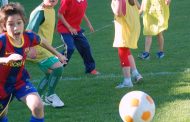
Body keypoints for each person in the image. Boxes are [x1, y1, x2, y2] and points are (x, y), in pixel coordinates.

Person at [0, 2, 67, 122]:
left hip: (19, 82)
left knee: (37, 105)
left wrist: (58, 54)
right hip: (1, 85)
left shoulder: (28, 37)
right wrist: (6, 59)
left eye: (19, 23)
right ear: (4, 26)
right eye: (10, 24)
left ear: (24, 23)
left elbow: (42, 41)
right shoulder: (2, 40)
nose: (16, 28)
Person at [26, 0, 66, 108]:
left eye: (55, 1)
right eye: (51, 0)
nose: (53, 3)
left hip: (45, 48)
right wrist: (31, 48)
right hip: (38, 48)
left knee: (50, 74)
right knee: (58, 67)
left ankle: (38, 98)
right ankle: (50, 96)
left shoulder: (51, 9)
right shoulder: (40, 12)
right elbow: (30, 32)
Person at [57, 0, 100, 75]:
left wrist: (89, 23)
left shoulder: (84, 1)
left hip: (76, 29)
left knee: (85, 47)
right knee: (69, 48)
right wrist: (69, 27)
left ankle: (90, 69)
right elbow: (59, 14)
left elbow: (82, 13)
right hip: (64, 29)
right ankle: (56, 69)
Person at [111, 0, 143, 88]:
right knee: (126, 50)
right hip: (133, 27)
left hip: (125, 28)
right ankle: (136, 74)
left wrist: (115, 7)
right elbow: (140, 8)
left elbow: (119, 13)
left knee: (122, 52)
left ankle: (127, 81)